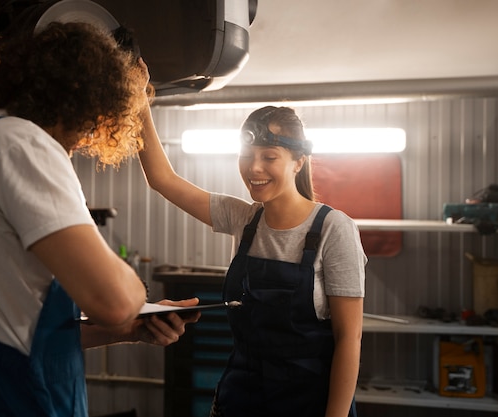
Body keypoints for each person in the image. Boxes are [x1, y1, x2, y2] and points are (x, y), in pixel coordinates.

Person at [0, 22, 198, 417]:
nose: (92, 134)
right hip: (23, 403)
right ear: (84, 96)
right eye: (99, 117)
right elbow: (115, 302)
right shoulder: (24, 146)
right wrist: (131, 301)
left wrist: (131, 330)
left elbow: (15, 327)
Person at [136, 75, 367, 416]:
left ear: (298, 162)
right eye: (248, 155)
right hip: (240, 401)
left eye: (269, 157)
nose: (254, 168)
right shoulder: (243, 219)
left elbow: (349, 339)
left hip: (308, 406)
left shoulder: (335, 229)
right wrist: (138, 99)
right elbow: (162, 179)